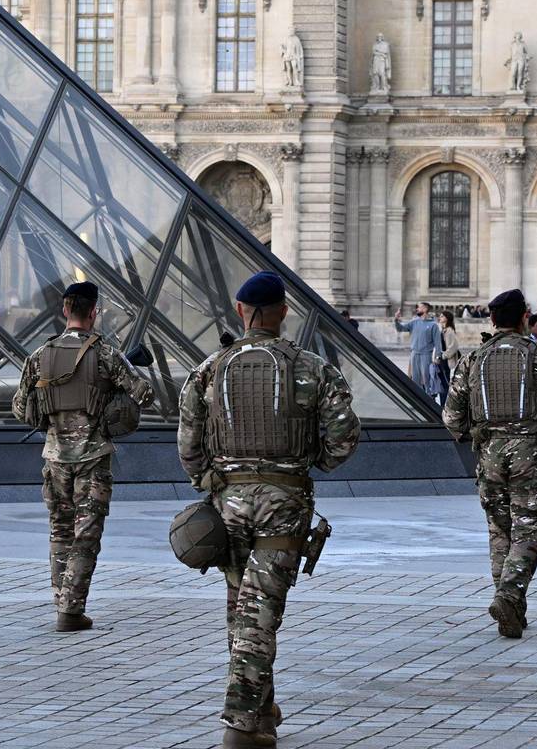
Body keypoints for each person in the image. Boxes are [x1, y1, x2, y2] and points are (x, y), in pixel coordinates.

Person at [178, 271, 360, 749]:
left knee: (243, 610)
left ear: (240, 312)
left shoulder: (208, 370)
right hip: (284, 502)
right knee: (259, 613)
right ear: (282, 312)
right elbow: (343, 440)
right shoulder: (313, 368)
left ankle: (261, 711)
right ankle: (240, 725)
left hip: (229, 503)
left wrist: (212, 484)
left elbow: (188, 447)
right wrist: (308, 463)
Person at [443, 289, 537, 640]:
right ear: (524, 317)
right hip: (530, 452)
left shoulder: (472, 360)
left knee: (499, 530)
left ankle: (510, 606)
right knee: (528, 527)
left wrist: (472, 432)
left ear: (492, 320)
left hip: (489, 454)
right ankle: (509, 595)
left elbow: (450, 417)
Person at [11, 282, 152, 633]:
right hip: (92, 456)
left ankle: (62, 599)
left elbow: (18, 409)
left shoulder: (40, 356)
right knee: (86, 534)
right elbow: (144, 394)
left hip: (55, 458)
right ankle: (71, 609)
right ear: (93, 313)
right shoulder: (105, 354)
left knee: (60, 531)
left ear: (64, 311)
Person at [394, 302, 441, 390]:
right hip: (414, 354)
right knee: (414, 379)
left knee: (427, 379)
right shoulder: (414, 322)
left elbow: (438, 343)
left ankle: (428, 399)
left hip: (426, 355)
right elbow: (400, 328)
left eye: (419, 308)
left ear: (425, 309)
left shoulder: (433, 325)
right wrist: (396, 319)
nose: (417, 309)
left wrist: (438, 357)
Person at [428, 310, 461, 405]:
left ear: (447, 318)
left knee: (445, 384)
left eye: (442, 316)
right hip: (441, 361)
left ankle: (445, 405)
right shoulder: (443, 330)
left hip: (445, 362)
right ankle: (443, 403)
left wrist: (443, 356)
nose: (440, 318)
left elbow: (454, 346)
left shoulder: (449, 331)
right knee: (441, 383)